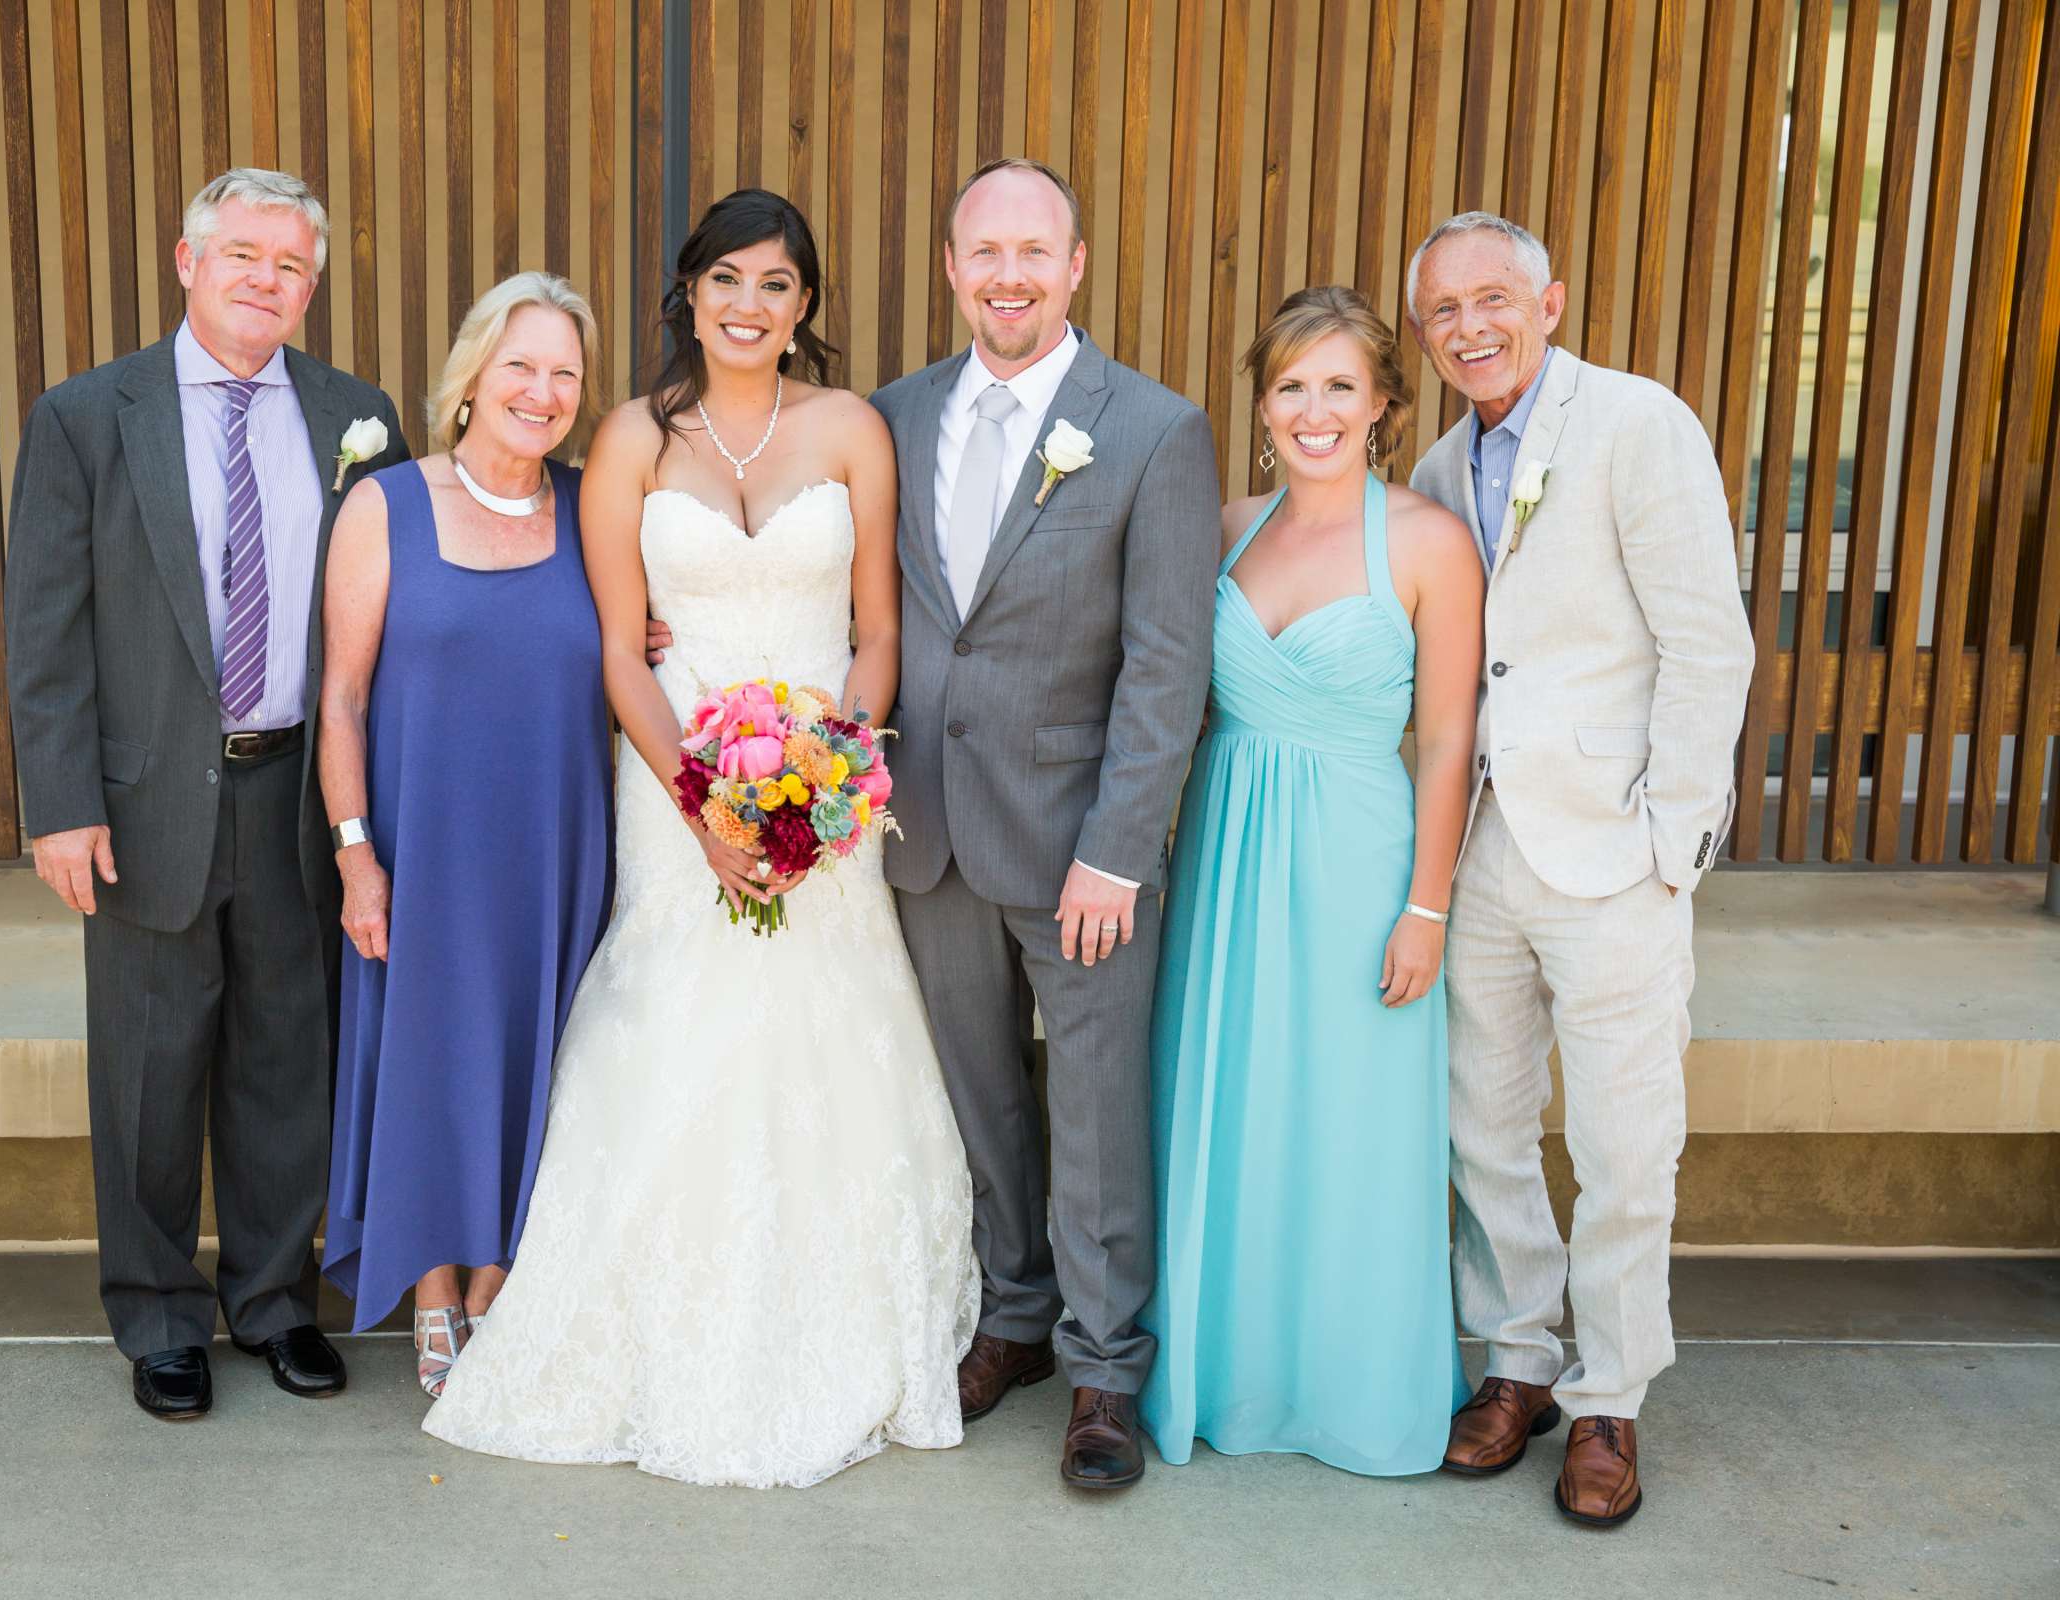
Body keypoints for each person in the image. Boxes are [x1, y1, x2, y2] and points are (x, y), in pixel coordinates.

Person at [422, 190, 976, 1488]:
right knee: (671, 1029)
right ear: (689, 293)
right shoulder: (630, 438)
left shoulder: (852, 429)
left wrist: (834, 779)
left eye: (777, 285)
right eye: (726, 280)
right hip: (676, 780)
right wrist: (703, 805)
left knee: (827, 1038)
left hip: (826, 794)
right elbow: (621, 646)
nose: (748, 305)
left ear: (804, 307)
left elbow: (880, 628)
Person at [5, 168, 410, 1421]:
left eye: (290, 266)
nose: (264, 280)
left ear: (312, 286)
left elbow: (406, 604)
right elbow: (45, 628)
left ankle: (276, 1301)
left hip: (298, 790)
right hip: (141, 800)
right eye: (241, 255)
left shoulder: (358, 413)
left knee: (289, 1058)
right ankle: (157, 1311)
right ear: (188, 262)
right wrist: (61, 800)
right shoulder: (88, 416)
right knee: (150, 1065)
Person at [869, 157, 1218, 1491]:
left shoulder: (1151, 428)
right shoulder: (895, 417)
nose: (1008, 275)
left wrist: (1119, 847)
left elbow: (1167, 663)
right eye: (985, 252)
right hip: (932, 833)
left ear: (1075, 266)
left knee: (1093, 1109)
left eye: (1036, 252)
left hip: (1083, 847)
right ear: (953, 267)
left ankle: (1105, 1366)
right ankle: (1012, 1315)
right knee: (976, 1097)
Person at [1406, 211, 1754, 1526]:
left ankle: (1612, 1397)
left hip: (1616, 853)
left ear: (1550, 300)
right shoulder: (1440, 465)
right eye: (1443, 311)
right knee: (1484, 1130)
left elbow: (1705, 641)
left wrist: (1677, 839)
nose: (1470, 328)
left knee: (1624, 1143)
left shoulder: (1636, 423)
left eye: (1493, 299)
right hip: (1484, 847)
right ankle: (1518, 1364)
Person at [1139, 286, 1482, 1474]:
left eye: (1341, 384)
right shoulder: (1225, 525)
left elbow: (1446, 740)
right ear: (1264, 403)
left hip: (1359, 862)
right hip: (1227, 858)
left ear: (1385, 401)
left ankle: (1348, 1390)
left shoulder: (1429, 541)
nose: (1315, 408)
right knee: (1232, 1111)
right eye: (1292, 385)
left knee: (1348, 1123)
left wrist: (1425, 906)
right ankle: (1231, 1378)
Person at [315, 273, 613, 1396]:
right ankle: (432, 1290)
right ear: (473, 378)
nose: (541, 392)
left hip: (559, 850)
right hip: (422, 847)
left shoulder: (595, 510)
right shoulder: (384, 506)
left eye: (564, 375)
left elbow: (636, 648)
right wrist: (355, 852)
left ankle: (499, 1280)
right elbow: (341, 696)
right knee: (430, 1057)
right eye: (521, 367)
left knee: (537, 1057)